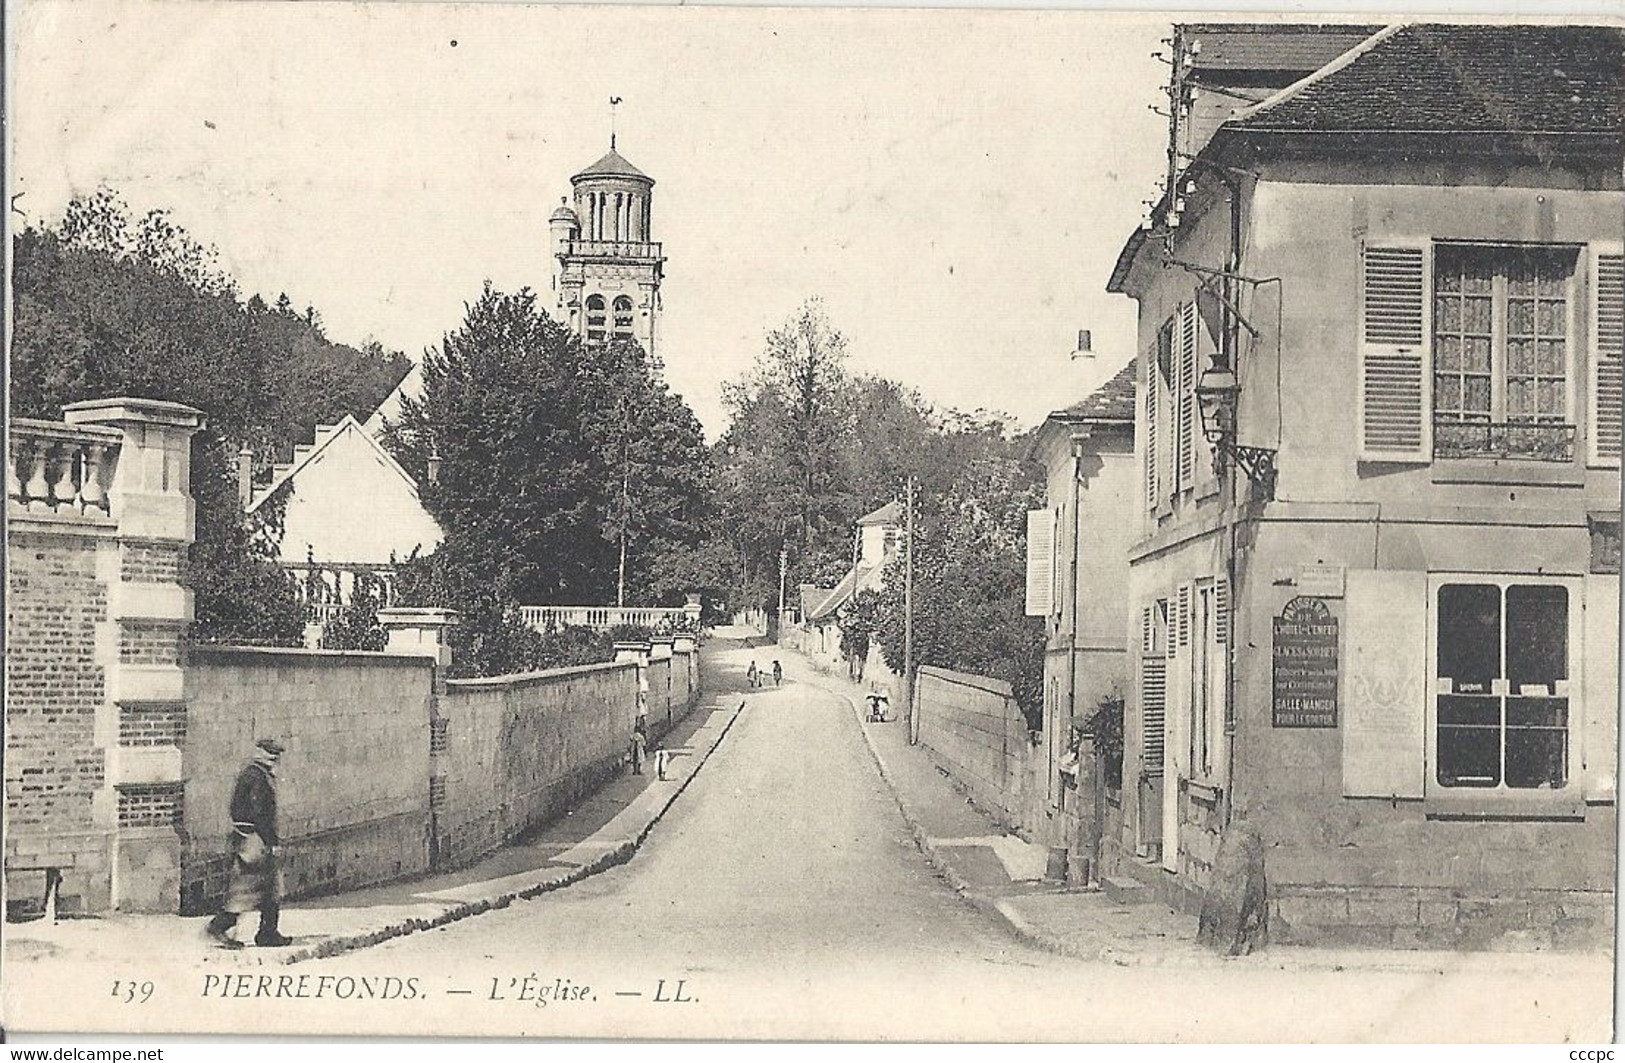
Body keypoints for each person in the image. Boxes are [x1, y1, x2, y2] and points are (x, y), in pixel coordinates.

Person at [206, 738, 291, 949]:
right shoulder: (256, 777)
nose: (274, 758)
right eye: (270, 754)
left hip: (252, 837)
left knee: (269, 886)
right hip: (254, 839)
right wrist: (271, 841)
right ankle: (218, 927)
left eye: (276, 755)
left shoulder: (258, 774)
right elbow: (259, 812)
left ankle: (268, 933)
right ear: (260, 753)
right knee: (247, 887)